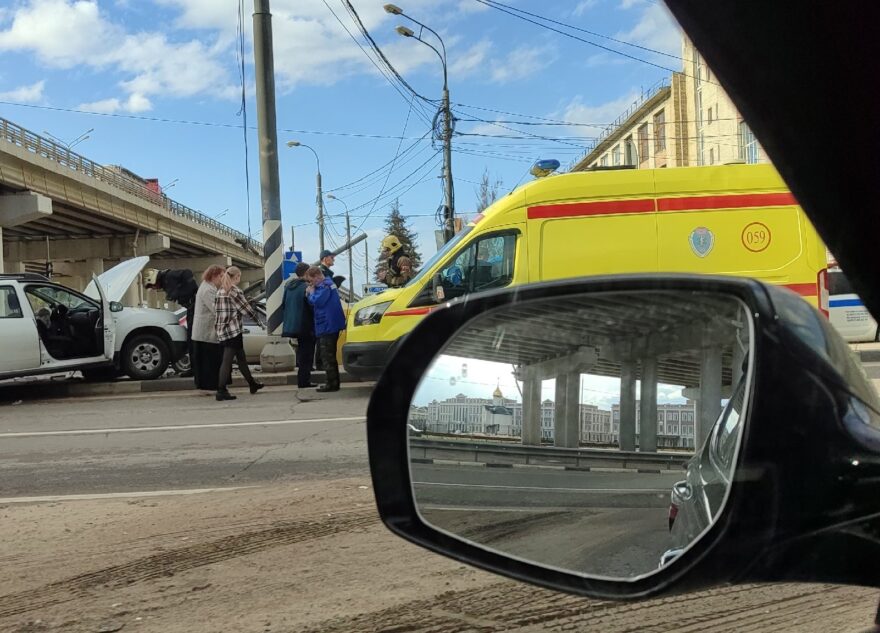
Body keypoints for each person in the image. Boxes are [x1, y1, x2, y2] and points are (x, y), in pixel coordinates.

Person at [214, 266, 264, 401]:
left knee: (241, 358)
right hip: (233, 330)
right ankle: (221, 390)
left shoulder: (220, 291)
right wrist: (259, 322)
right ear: (236, 277)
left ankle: (252, 384)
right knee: (227, 361)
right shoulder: (234, 291)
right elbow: (246, 310)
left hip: (222, 330)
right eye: (239, 277)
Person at [305, 266, 346, 392]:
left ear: (317, 276)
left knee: (327, 356)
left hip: (327, 325)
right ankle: (333, 382)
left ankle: (331, 383)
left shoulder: (325, 286)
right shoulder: (328, 285)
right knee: (329, 355)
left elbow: (318, 301)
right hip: (329, 324)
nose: (311, 284)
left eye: (311, 280)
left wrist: (310, 293)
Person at [282, 262, 318, 389]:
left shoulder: (288, 286)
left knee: (302, 352)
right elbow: (312, 305)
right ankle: (304, 381)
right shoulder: (306, 287)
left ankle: (302, 379)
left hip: (293, 325)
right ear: (306, 273)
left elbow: (283, 304)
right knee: (307, 354)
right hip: (306, 324)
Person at [191, 265, 226, 391]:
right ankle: (210, 385)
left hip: (205, 332)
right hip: (205, 332)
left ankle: (209, 384)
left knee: (207, 361)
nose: (222, 279)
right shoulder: (208, 290)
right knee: (209, 361)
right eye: (221, 276)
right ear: (214, 276)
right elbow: (216, 309)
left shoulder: (208, 287)